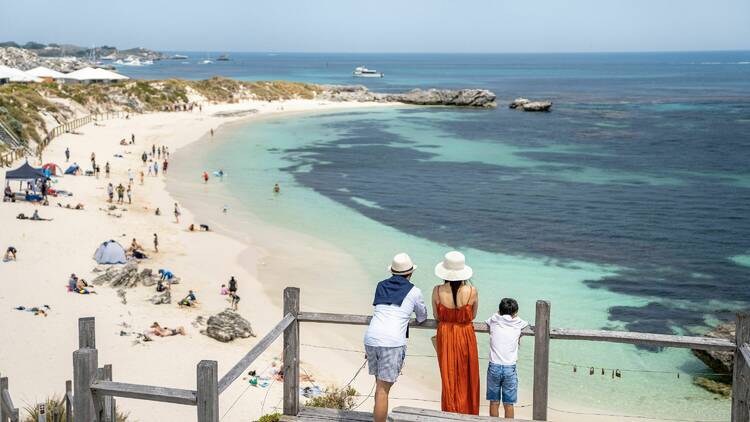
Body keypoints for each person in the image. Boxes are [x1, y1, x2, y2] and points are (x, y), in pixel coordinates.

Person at [364, 253, 427, 422]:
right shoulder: (414, 291)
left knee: (379, 386)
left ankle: (378, 417)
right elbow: (422, 317)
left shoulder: (380, 285)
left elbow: (381, 307)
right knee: (383, 390)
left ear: (392, 271)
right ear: (410, 273)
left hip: (371, 337)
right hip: (391, 342)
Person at [432, 251, 480, 415]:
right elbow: (473, 315)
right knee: (467, 376)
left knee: (448, 376)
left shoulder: (437, 290)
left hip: (445, 334)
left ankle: (449, 412)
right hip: (465, 334)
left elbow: (437, 316)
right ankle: (467, 414)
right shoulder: (472, 291)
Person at [486, 298, 528, 419]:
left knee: (494, 402)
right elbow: (524, 323)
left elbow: (493, 317)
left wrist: (498, 313)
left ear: (499, 310)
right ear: (516, 313)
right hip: (510, 368)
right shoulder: (518, 323)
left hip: (494, 366)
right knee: (508, 404)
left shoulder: (494, 320)